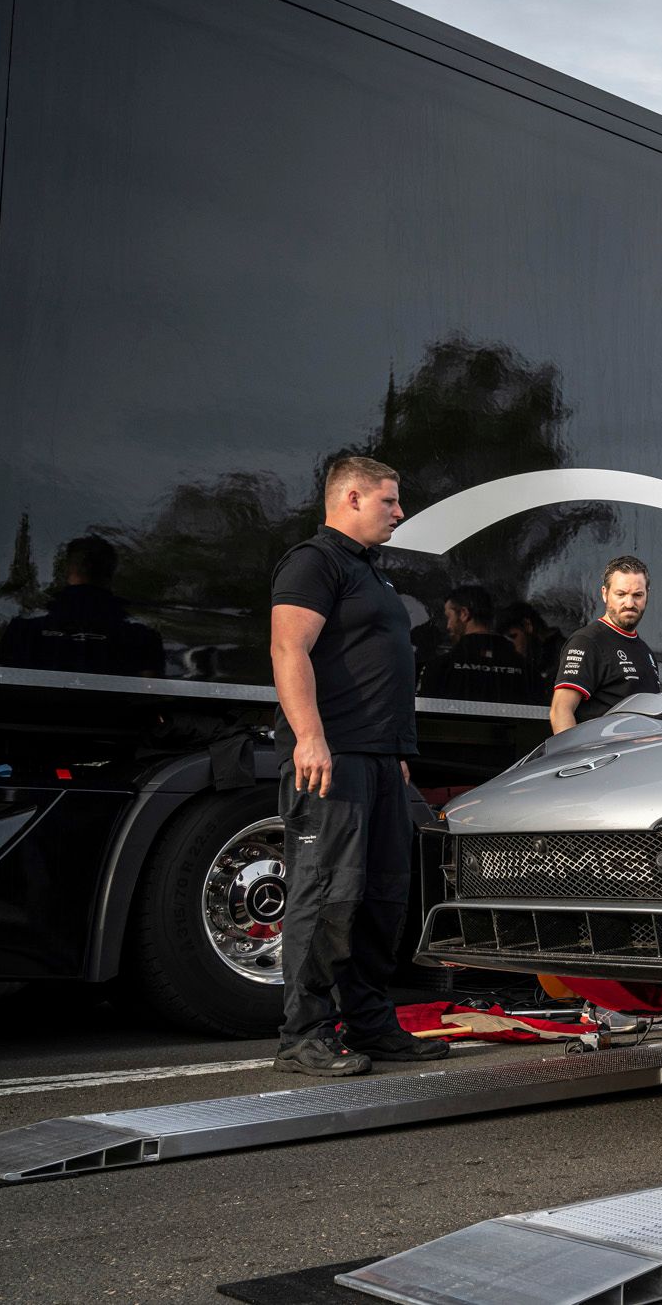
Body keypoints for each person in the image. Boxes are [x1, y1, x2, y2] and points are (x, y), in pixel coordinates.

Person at [268, 455, 447, 1077]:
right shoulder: (314, 562)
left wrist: (394, 754)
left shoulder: (373, 573)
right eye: (390, 502)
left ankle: (370, 1025)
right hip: (333, 757)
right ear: (350, 498)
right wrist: (309, 737)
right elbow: (289, 647)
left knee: (383, 897)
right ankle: (304, 1034)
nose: (400, 513)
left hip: (379, 761)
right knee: (327, 894)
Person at [0, 535, 164, 677]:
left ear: (68, 569)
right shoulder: (142, 637)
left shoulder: (23, 630)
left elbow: (3, 677)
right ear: (110, 573)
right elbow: (149, 691)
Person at [550, 555, 662, 732]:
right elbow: (560, 711)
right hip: (606, 757)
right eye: (621, 594)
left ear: (647, 595)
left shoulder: (646, 652)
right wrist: (577, 759)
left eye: (637, 595)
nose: (629, 603)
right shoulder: (587, 642)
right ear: (605, 593)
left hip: (642, 756)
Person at [419, 583, 533, 704]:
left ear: (464, 614)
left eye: (449, 617)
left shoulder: (441, 667)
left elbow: (426, 714)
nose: (448, 626)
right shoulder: (527, 671)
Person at [496, 600, 565, 697]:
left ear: (527, 625)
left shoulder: (564, 655)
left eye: (513, 637)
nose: (511, 646)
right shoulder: (534, 657)